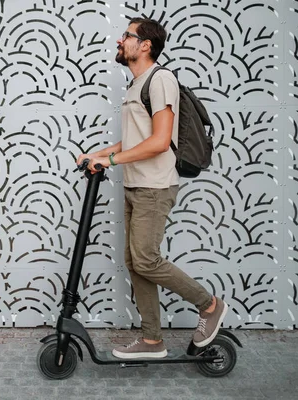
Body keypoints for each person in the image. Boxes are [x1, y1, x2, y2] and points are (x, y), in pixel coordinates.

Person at [76, 18, 228, 359]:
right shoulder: (136, 84)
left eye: (127, 36)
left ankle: (209, 305)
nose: (120, 40)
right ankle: (151, 339)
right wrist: (97, 153)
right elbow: (134, 139)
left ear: (145, 45)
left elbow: (160, 142)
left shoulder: (160, 80)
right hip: (136, 185)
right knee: (135, 261)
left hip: (155, 187)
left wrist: (110, 162)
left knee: (146, 258)